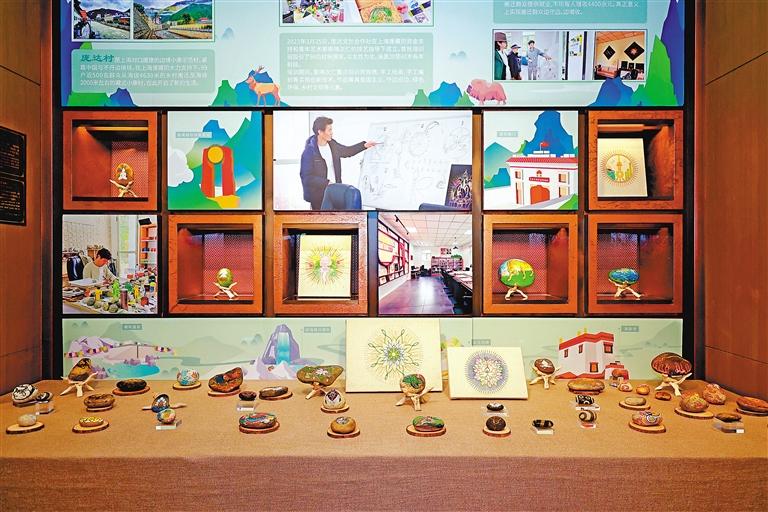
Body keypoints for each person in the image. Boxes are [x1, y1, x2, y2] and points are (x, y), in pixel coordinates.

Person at [299, 116, 377, 210]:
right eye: (329, 130)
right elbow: (307, 177)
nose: (332, 132)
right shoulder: (309, 152)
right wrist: (326, 183)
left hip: (335, 191)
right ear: (320, 132)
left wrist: (364, 145)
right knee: (323, 219)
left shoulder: (332, 145)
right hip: (319, 196)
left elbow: (347, 151)